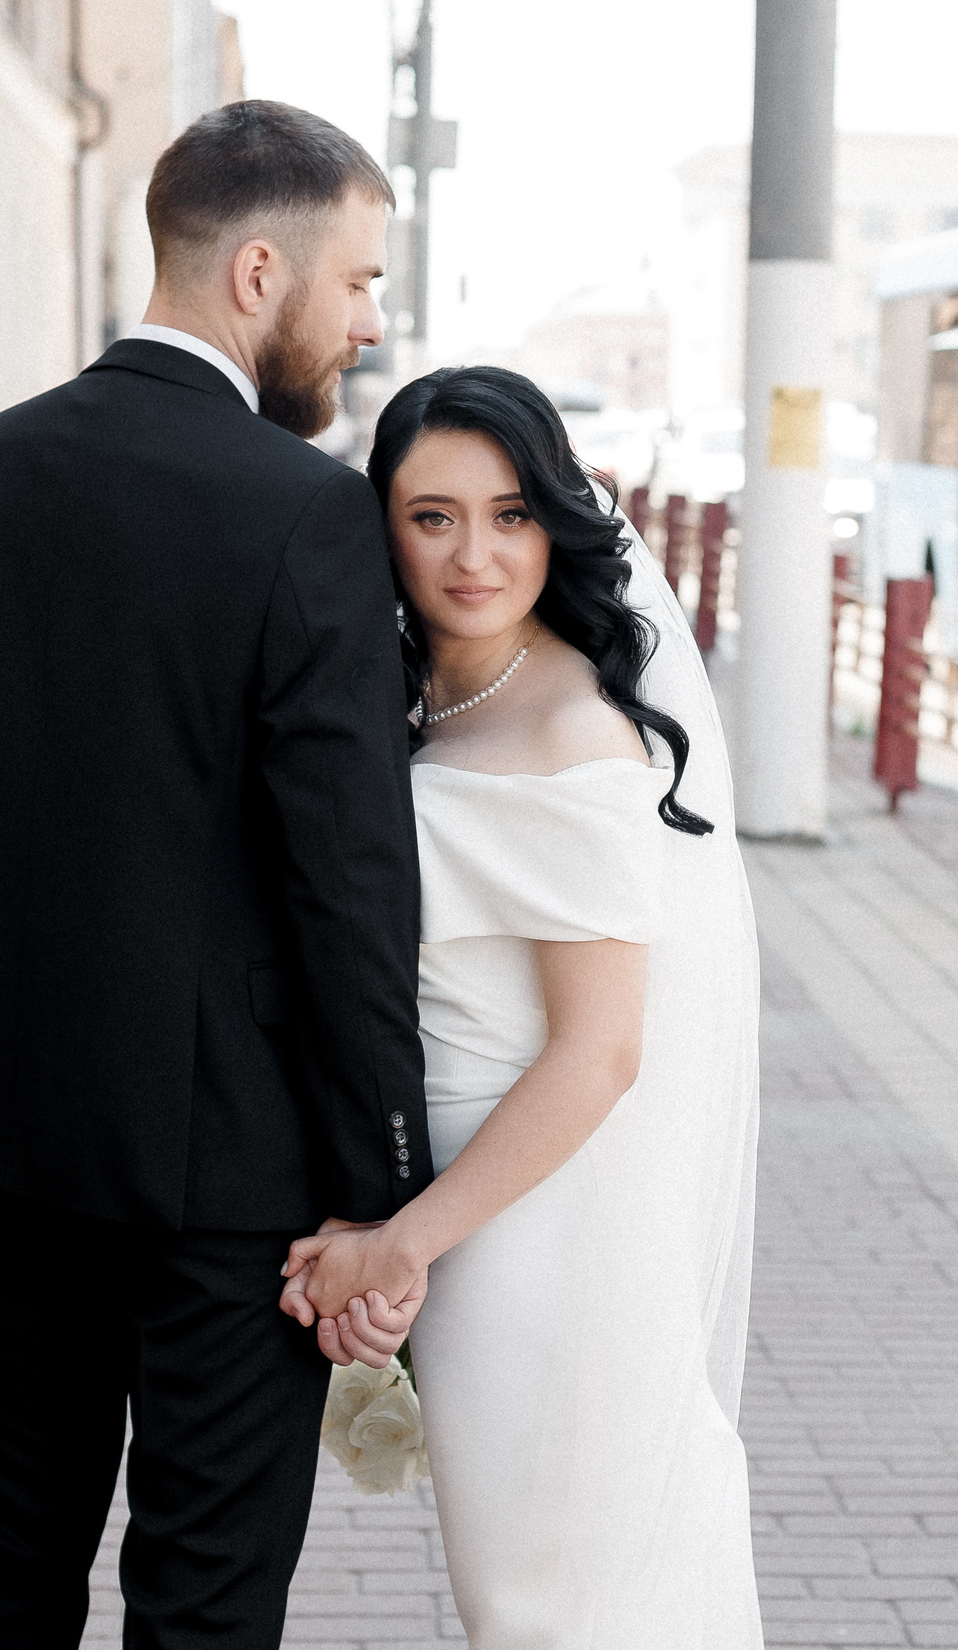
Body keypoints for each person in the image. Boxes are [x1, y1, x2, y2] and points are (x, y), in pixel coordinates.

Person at [0, 100, 429, 1645]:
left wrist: (18, 971)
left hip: (21, 1135)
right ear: (260, 271)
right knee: (201, 1589)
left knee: (5, 1551)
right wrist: (380, 1197)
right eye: (358, 282)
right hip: (240, 1172)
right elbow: (351, 896)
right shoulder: (307, 517)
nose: (368, 319)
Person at [282, 365, 765, 1646]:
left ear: (559, 520)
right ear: (382, 523)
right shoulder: (419, 700)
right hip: (472, 1211)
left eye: (510, 514)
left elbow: (601, 1054)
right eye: (432, 515)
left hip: (555, 1230)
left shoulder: (577, 736)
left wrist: (404, 1246)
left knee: (554, 1597)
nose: (475, 555)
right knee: (521, 1591)